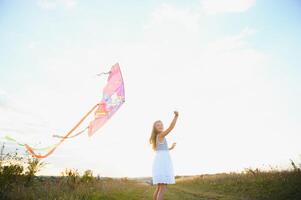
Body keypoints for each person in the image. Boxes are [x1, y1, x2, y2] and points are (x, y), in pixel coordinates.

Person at [149, 111, 179, 200]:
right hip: (163, 163)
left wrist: (170, 148)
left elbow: (162, 150)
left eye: (161, 124)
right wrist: (176, 117)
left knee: (159, 187)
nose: (161, 126)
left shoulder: (158, 137)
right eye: (158, 125)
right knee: (162, 188)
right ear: (155, 128)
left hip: (160, 162)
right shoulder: (161, 135)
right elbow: (171, 127)